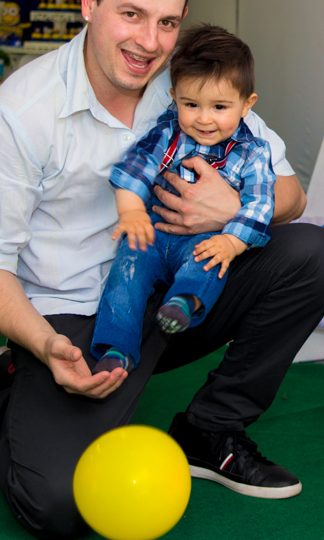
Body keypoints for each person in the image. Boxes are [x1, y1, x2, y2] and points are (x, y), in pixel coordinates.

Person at [0, 0, 324, 540]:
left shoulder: (194, 84)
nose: (149, 43)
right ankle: (16, 377)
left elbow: (291, 192)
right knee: (59, 505)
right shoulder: (19, 114)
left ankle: (209, 429)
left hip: (185, 291)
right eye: (131, 14)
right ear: (89, 3)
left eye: (167, 22)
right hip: (79, 319)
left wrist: (231, 208)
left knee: (314, 252)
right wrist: (43, 343)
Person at [92, 25, 275, 374]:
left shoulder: (253, 152)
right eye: (191, 104)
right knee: (125, 274)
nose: (204, 118)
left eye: (219, 106)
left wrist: (233, 241)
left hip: (206, 237)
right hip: (155, 232)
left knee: (208, 262)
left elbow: (261, 202)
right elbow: (137, 166)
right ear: (175, 98)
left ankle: (183, 302)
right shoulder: (168, 132)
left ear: (246, 104)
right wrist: (131, 210)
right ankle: (116, 349)